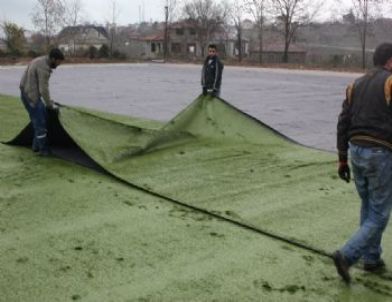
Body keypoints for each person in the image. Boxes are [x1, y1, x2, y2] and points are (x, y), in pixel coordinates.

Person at [334, 42, 392, 283]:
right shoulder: (390, 82)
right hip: (380, 153)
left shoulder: (354, 85)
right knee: (379, 214)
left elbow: (343, 122)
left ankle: (371, 258)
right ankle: (347, 255)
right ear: (390, 61)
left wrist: (342, 158)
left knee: (368, 206)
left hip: (356, 152)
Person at [19, 48, 65, 156]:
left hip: (26, 92)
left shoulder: (40, 60)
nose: (58, 65)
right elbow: (43, 89)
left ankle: (35, 146)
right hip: (31, 97)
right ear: (53, 59)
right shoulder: (44, 68)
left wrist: (48, 102)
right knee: (40, 123)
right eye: (58, 62)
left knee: (42, 117)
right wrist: (49, 104)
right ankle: (44, 150)